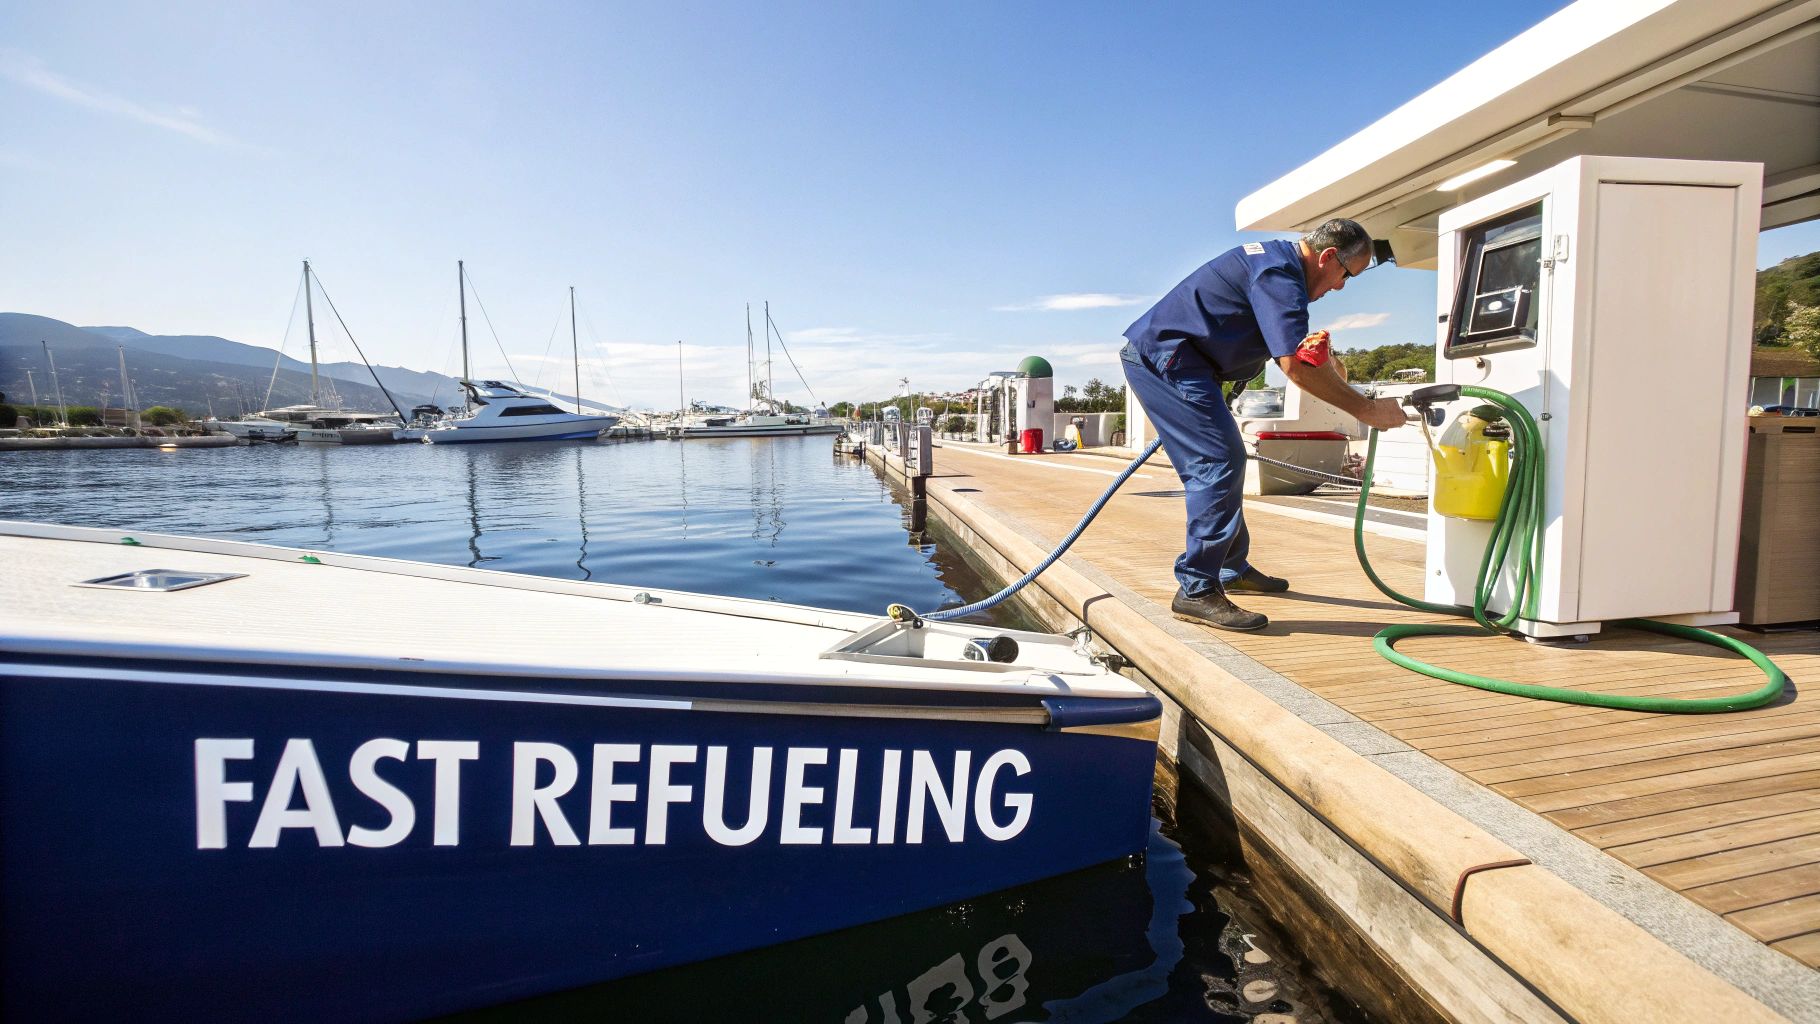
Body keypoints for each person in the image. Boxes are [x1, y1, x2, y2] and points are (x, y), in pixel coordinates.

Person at [1120, 218, 1407, 632]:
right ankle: (1197, 589)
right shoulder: (1279, 274)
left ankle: (1230, 568)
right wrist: (1366, 410)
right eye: (1346, 275)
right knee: (1219, 463)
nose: (1341, 286)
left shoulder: (1275, 264)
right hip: (1168, 361)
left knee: (1223, 464)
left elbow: (1301, 356)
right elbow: (1294, 366)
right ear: (1328, 257)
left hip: (1187, 363)